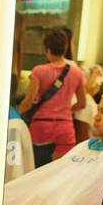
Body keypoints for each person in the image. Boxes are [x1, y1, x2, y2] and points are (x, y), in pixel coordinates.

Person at [19, 28, 86, 163]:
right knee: (59, 173)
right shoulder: (77, 73)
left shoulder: (39, 71)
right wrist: (66, 111)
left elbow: (28, 102)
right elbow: (81, 103)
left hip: (41, 128)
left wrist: (17, 114)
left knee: (38, 171)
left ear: (48, 50)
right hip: (65, 128)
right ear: (65, 48)